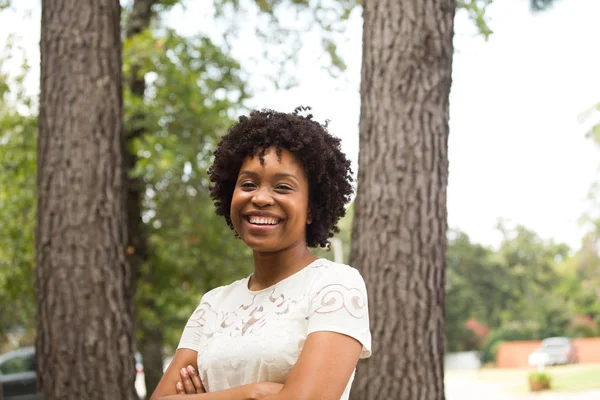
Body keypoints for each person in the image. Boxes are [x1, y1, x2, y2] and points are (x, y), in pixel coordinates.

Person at [151, 107, 371, 400]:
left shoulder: (335, 286)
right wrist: (255, 393)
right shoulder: (213, 304)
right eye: (248, 184)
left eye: (282, 187)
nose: (261, 198)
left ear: (311, 208)